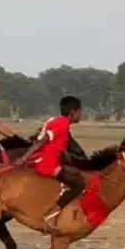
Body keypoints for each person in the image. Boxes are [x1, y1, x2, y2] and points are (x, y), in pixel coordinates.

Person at [14, 95, 87, 232]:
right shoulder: (63, 124)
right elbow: (43, 140)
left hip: (45, 159)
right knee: (79, 184)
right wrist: (24, 158)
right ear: (72, 112)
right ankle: (52, 212)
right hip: (48, 164)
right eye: (79, 111)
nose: (80, 114)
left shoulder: (55, 120)